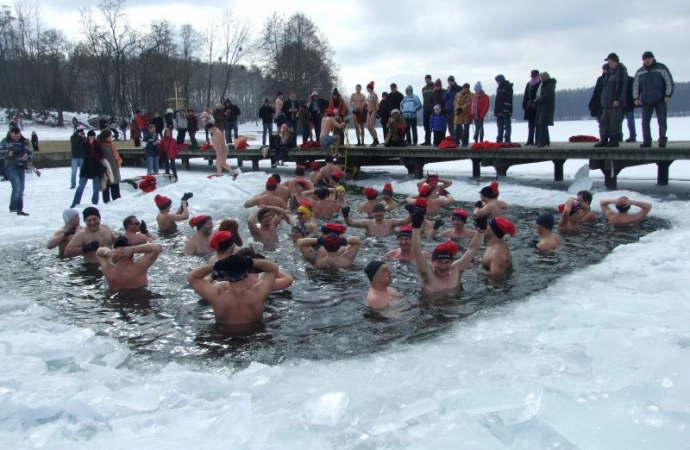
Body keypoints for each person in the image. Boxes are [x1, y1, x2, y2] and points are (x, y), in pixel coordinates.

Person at [186, 254, 278, 326]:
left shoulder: (217, 296)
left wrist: (217, 265)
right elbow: (273, 268)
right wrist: (249, 261)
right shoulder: (258, 293)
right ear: (247, 271)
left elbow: (192, 277)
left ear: (226, 274)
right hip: (255, 333)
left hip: (223, 336)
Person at [410, 206, 483, 294]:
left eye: (447, 262)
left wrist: (481, 231)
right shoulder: (427, 273)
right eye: (439, 262)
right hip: (430, 306)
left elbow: (472, 249)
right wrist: (416, 226)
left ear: (451, 262)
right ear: (432, 262)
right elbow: (417, 252)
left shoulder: (456, 269)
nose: (443, 267)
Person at [633, 51, 674, 148]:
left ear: (653, 58)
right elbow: (635, 86)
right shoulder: (640, 71)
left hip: (660, 99)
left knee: (662, 121)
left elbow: (669, 82)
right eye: (645, 59)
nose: (647, 60)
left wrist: (668, 95)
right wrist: (635, 98)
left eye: (648, 58)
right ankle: (647, 141)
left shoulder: (661, 68)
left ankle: (662, 140)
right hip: (646, 101)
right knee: (645, 122)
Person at [95, 237, 162, 291]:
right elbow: (157, 248)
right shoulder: (138, 268)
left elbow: (99, 252)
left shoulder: (109, 271)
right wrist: (133, 249)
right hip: (139, 300)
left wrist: (109, 253)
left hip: (116, 303)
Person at [595, 53, 628, 148]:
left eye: (609, 61)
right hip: (606, 102)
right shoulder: (609, 72)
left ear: (613, 60)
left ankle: (614, 140)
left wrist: (617, 99)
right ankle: (604, 139)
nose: (608, 63)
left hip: (615, 102)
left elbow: (621, 85)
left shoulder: (621, 70)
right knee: (604, 122)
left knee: (615, 122)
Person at [297, 223, 362, 271]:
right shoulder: (346, 261)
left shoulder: (318, 263)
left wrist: (320, 240)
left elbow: (300, 242)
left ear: (324, 246)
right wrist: (343, 241)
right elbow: (358, 240)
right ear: (339, 246)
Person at [0, 127, 31, 215]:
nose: (16, 138)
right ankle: (13, 209)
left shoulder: (24, 141)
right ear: (11, 134)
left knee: (21, 189)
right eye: (14, 136)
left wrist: (27, 156)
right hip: (10, 167)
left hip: (21, 167)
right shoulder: (5, 141)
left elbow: (30, 152)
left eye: (17, 136)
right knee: (17, 187)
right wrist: (7, 153)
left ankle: (19, 209)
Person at [71, 130, 102, 208]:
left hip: (95, 166)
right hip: (86, 166)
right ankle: (75, 202)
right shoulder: (84, 143)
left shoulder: (97, 144)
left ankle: (95, 203)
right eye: (91, 136)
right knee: (81, 185)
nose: (92, 138)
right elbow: (85, 152)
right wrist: (90, 144)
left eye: (93, 136)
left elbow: (100, 154)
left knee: (96, 187)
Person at [342, 203, 411, 237]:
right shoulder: (367, 223)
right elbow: (350, 223)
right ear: (373, 213)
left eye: (380, 211)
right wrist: (346, 215)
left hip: (388, 244)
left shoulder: (391, 222)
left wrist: (411, 212)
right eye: (376, 211)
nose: (378, 214)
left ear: (384, 212)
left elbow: (407, 220)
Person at [98, 129, 122, 204]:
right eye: (109, 136)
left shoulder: (111, 144)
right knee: (107, 184)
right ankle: (106, 201)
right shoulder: (101, 145)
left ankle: (117, 199)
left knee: (115, 184)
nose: (110, 138)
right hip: (106, 168)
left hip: (114, 167)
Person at [533, 72, 557, 148]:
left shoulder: (549, 85)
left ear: (544, 77)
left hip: (547, 107)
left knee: (542, 123)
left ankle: (542, 142)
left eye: (540, 77)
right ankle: (546, 141)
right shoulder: (543, 85)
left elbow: (546, 96)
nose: (539, 79)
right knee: (542, 123)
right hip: (542, 106)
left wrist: (537, 101)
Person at [494, 74, 514, 143]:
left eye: (498, 81)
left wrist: (506, 109)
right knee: (500, 126)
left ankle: (507, 139)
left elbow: (508, 99)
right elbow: (497, 100)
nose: (497, 82)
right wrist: (496, 111)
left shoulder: (508, 87)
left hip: (506, 110)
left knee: (507, 125)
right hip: (499, 110)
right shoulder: (499, 88)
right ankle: (499, 138)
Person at [523, 70, 541, 145]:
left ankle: (537, 141)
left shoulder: (540, 83)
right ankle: (530, 140)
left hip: (537, 106)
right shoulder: (529, 84)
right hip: (530, 106)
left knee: (538, 124)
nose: (533, 77)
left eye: (534, 76)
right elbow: (526, 95)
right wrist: (524, 105)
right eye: (532, 76)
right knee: (530, 125)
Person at [421, 74, 435, 146]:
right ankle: (427, 141)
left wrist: (432, 105)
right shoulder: (423, 89)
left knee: (433, 125)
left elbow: (436, 97)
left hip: (432, 110)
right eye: (425, 79)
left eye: (428, 79)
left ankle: (435, 141)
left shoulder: (434, 87)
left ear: (430, 79)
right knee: (426, 125)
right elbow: (424, 98)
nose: (426, 80)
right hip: (425, 109)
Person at [365, 82, 380, 147]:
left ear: (371, 88)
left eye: (368, 88)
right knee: (368, 126)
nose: (367, 90)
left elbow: (377, 103)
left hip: (373, 111)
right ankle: (374, 139)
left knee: (371, 126)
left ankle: (376, 140)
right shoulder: (369, 95)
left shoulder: (374, 95)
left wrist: (377, 110)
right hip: (369, 111)